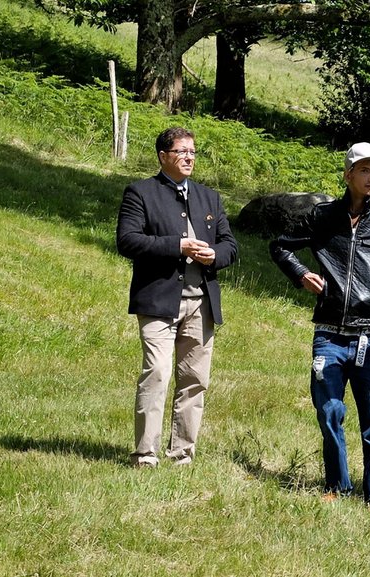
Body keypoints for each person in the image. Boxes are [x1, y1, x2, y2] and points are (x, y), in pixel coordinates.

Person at [269, 142, 370, 504]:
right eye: (365, 170)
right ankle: (336, 486)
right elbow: (280, 246)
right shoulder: (323, 216)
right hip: (329, 335)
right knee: (330, 411)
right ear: (348, 174)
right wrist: (301, 273)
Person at [117, 127, 238, 468]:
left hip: (202, 303)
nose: (189, 158)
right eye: (182, 152)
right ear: (163, 156)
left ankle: (182, 452)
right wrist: (178, 245)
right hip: (158, 301)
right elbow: (127, 240)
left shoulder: (209, 198)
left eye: (193, 152)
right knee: (156, 372)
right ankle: (145, 453)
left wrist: (214, 255)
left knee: (195, 379)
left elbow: (231, 246)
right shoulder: (140, 193)